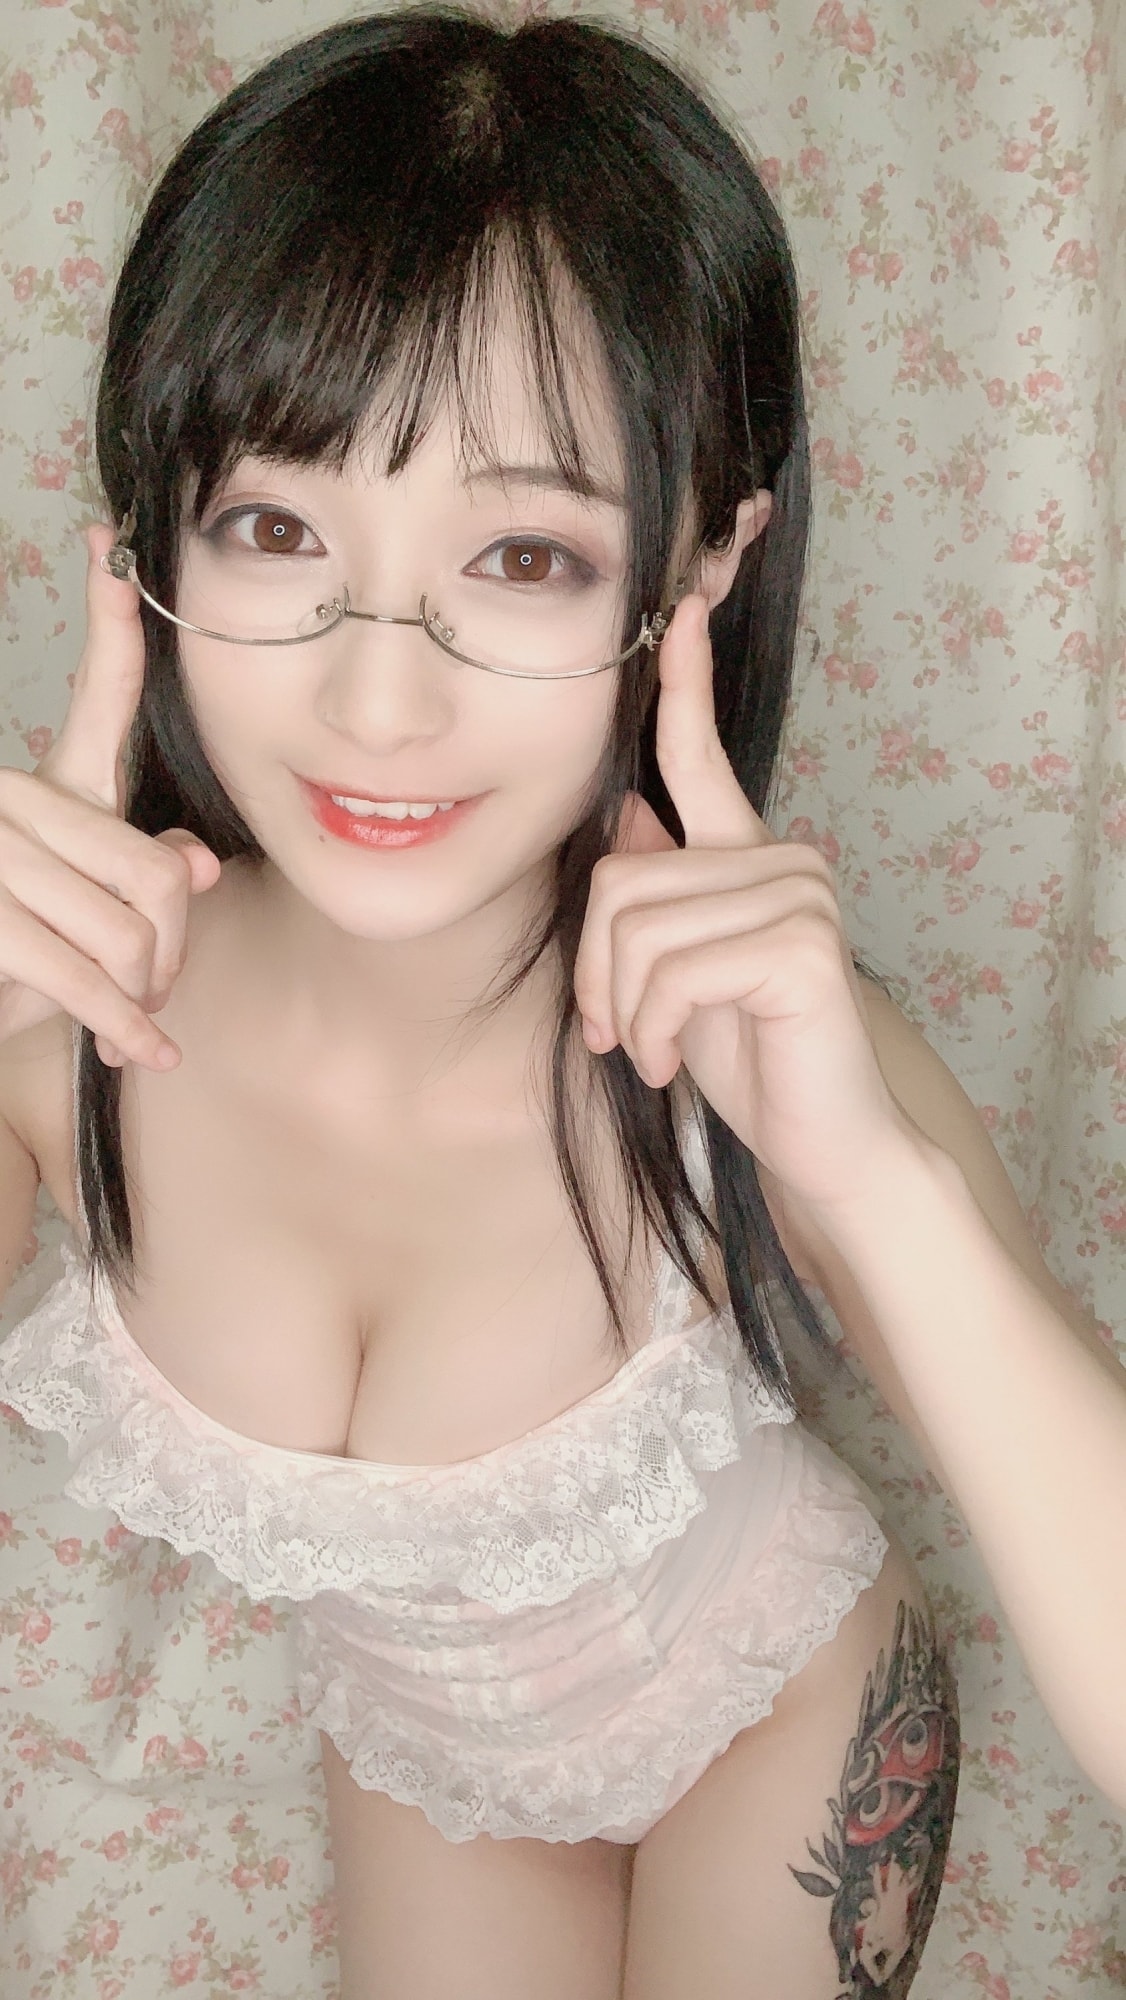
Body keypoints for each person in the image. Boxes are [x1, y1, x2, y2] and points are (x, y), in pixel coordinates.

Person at [0, 10, 1119, 1997]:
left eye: (522, 555)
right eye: (274, 529)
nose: (377, 701)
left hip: (774, 1722)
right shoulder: (55, 1031)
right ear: (145, 541)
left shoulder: (758, 1057)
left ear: (701, 565)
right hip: (429, 1759)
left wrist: (867, 1186)